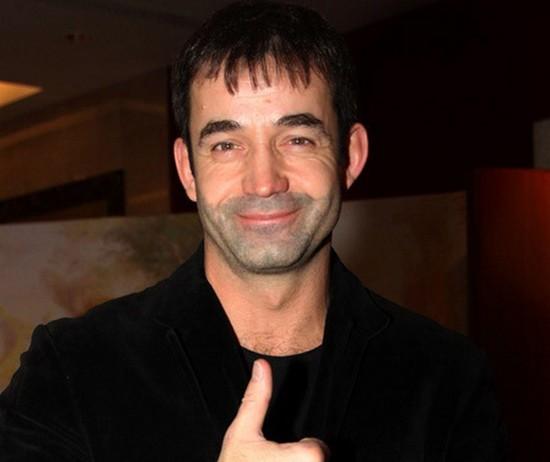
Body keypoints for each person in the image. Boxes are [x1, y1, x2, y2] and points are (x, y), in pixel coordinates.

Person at [0, 1, 506, 461]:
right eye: (226, 145)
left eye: (298, 138)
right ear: (187, 169)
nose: (264, 181)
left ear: (350, 157)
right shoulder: (74, 369)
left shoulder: (447, 378)